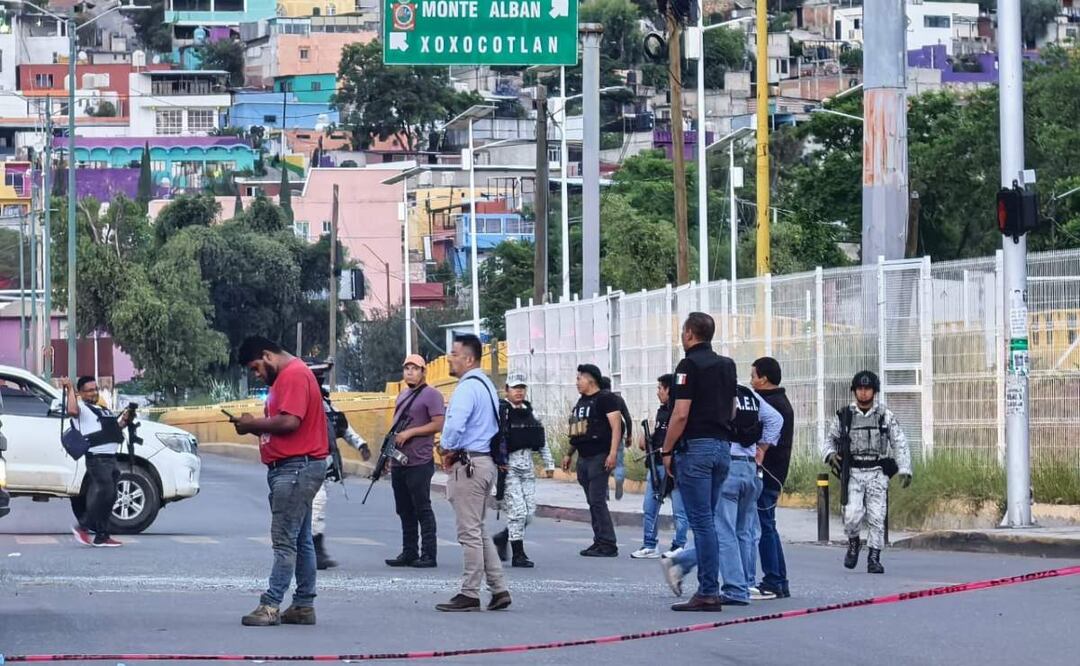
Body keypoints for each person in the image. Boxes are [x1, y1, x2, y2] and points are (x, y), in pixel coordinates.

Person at [234, 336, 328, 627]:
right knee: (301, 540)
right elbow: (279, 425)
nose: (257, 374)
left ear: (267, 355)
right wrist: (252, 426)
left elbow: (290, 422)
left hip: (295, 468)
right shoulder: (287, 379)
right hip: (295, 466)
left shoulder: (293, 375)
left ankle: (271, 604)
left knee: (285, 541)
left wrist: (252, 424)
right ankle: (303, 605)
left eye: (256, 367)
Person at [663, 381, 782, 606]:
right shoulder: (750, 395)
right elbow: (776, 419)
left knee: (723, 531)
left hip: (729, 464)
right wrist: (763, 448)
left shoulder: (720, 393)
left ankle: (733, 587)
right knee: (744, 532)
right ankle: (744, 583)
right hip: (750, 467)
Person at [659, 313, 736, 612]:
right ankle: (709, 587)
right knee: (710, 521)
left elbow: (680, 413)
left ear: (690, 334)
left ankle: (707, 591)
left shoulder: (687, 365)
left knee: (701, 523)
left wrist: (667, 450)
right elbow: (730, 409)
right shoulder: (727, 366)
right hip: (721, 447)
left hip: (696, 449)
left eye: (683, 331)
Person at [435, 335, 510, 612]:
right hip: (483, 463)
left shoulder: (467, 388)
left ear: (468, 358)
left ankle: (469, 592)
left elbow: (455, 426)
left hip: (469, 465)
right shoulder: (486, 385)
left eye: (454, 353)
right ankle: (499, 588)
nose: (449, 358)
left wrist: (445, 447)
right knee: (478, 530)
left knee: (468, 532)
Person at [822, 370, 912, 575]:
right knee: (852, 516)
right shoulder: (844, 416)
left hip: (877, 471)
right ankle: (854, 541)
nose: (863, 393)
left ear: (874, 391)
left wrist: (905, 469)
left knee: (877, 517)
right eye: (860, 389)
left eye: (867, 388)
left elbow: (899, 442)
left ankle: (874, 558)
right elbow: (829, 440)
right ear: (854, 391)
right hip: (853, 472)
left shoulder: (884, 415)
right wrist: (831, 455)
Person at [305, 358, 371, 571]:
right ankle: (313, 550)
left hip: (325, 463)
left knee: (317, 507)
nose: (320, 380)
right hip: (306, 464)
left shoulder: (327, 405)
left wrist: (361, 445)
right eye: (317, 376)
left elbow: (343, 428)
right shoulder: (302, 403)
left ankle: (315, 549)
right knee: (316, 504)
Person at [385, 354, 445, 569]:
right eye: (407, 368)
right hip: (399, 461)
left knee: (422, 508)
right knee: (404, 508)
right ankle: (409, 551)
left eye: (415, 368)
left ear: (423, 371)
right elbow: (395, 429)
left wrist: (411, 433)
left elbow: (438, 423)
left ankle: (429, 553)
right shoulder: (402, 395)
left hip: (419, 461)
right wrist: (387, 455)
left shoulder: (432, 395)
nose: (410, 372)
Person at [492, 372, 555, 568]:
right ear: (507, 390)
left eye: (522, 388)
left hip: (527, 468)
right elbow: (493, 439)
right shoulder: (502, 412)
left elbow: (541, 439)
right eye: (515, 388)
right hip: (509, 468)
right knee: (518, 512)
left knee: (529, 513)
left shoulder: (530, 412)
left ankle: (502, 538)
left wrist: (549, 463)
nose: (519, 391)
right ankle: (518, 554)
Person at [562, 364, 623, 557]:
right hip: (584, 457)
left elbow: (616, 428)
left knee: (597, 500)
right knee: (592, 501)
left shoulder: (606, 399)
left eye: (580, 378)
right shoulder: (581, 403)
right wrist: (568, 453)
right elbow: (578, 430)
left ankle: (608, 543)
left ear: (591, 380)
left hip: (600, 456)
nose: (577, 382)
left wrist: (613, 454)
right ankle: (599, 541)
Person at [65, 376, 131, 548]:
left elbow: (113, 430)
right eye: (89, 390)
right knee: (104, 493)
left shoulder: (102, 409)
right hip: (97, 459)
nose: (94, 392)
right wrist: (69, 389)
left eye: (95, 389)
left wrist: (125, 420)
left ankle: (102, 535)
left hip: (111, 459)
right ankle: (82, 526)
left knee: (110, 497)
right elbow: (71, 411)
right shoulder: (81, 407)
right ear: (81, 393)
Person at [630, 374, 689, 560]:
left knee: (680, 509)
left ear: (669, 390)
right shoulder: (661, 411)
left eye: (660, 389)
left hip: (675, 465)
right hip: (656, 465)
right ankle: (649, 544)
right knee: (650, 507)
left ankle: (679, 545)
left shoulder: (679, 410)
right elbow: (656, 436)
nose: (658, 393)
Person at [750, 357, 794, 599]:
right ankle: (779, 579)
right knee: (768, 525)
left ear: (764, 378)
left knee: (764, 525)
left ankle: (773, 580)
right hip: (774, 472)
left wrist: (761, 450)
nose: (751, 380)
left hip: (767, 472)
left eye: (753, 375)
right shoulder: (779, 401)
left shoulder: (770, 404)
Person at [599, 376, 632, 500]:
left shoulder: (597, 399)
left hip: (602, 438)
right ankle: (619, 480)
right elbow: (627, 418)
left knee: (602, 465)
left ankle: (605, 492)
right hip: (618, 435)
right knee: (619, 463)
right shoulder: (618, 399)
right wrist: (629, 435)